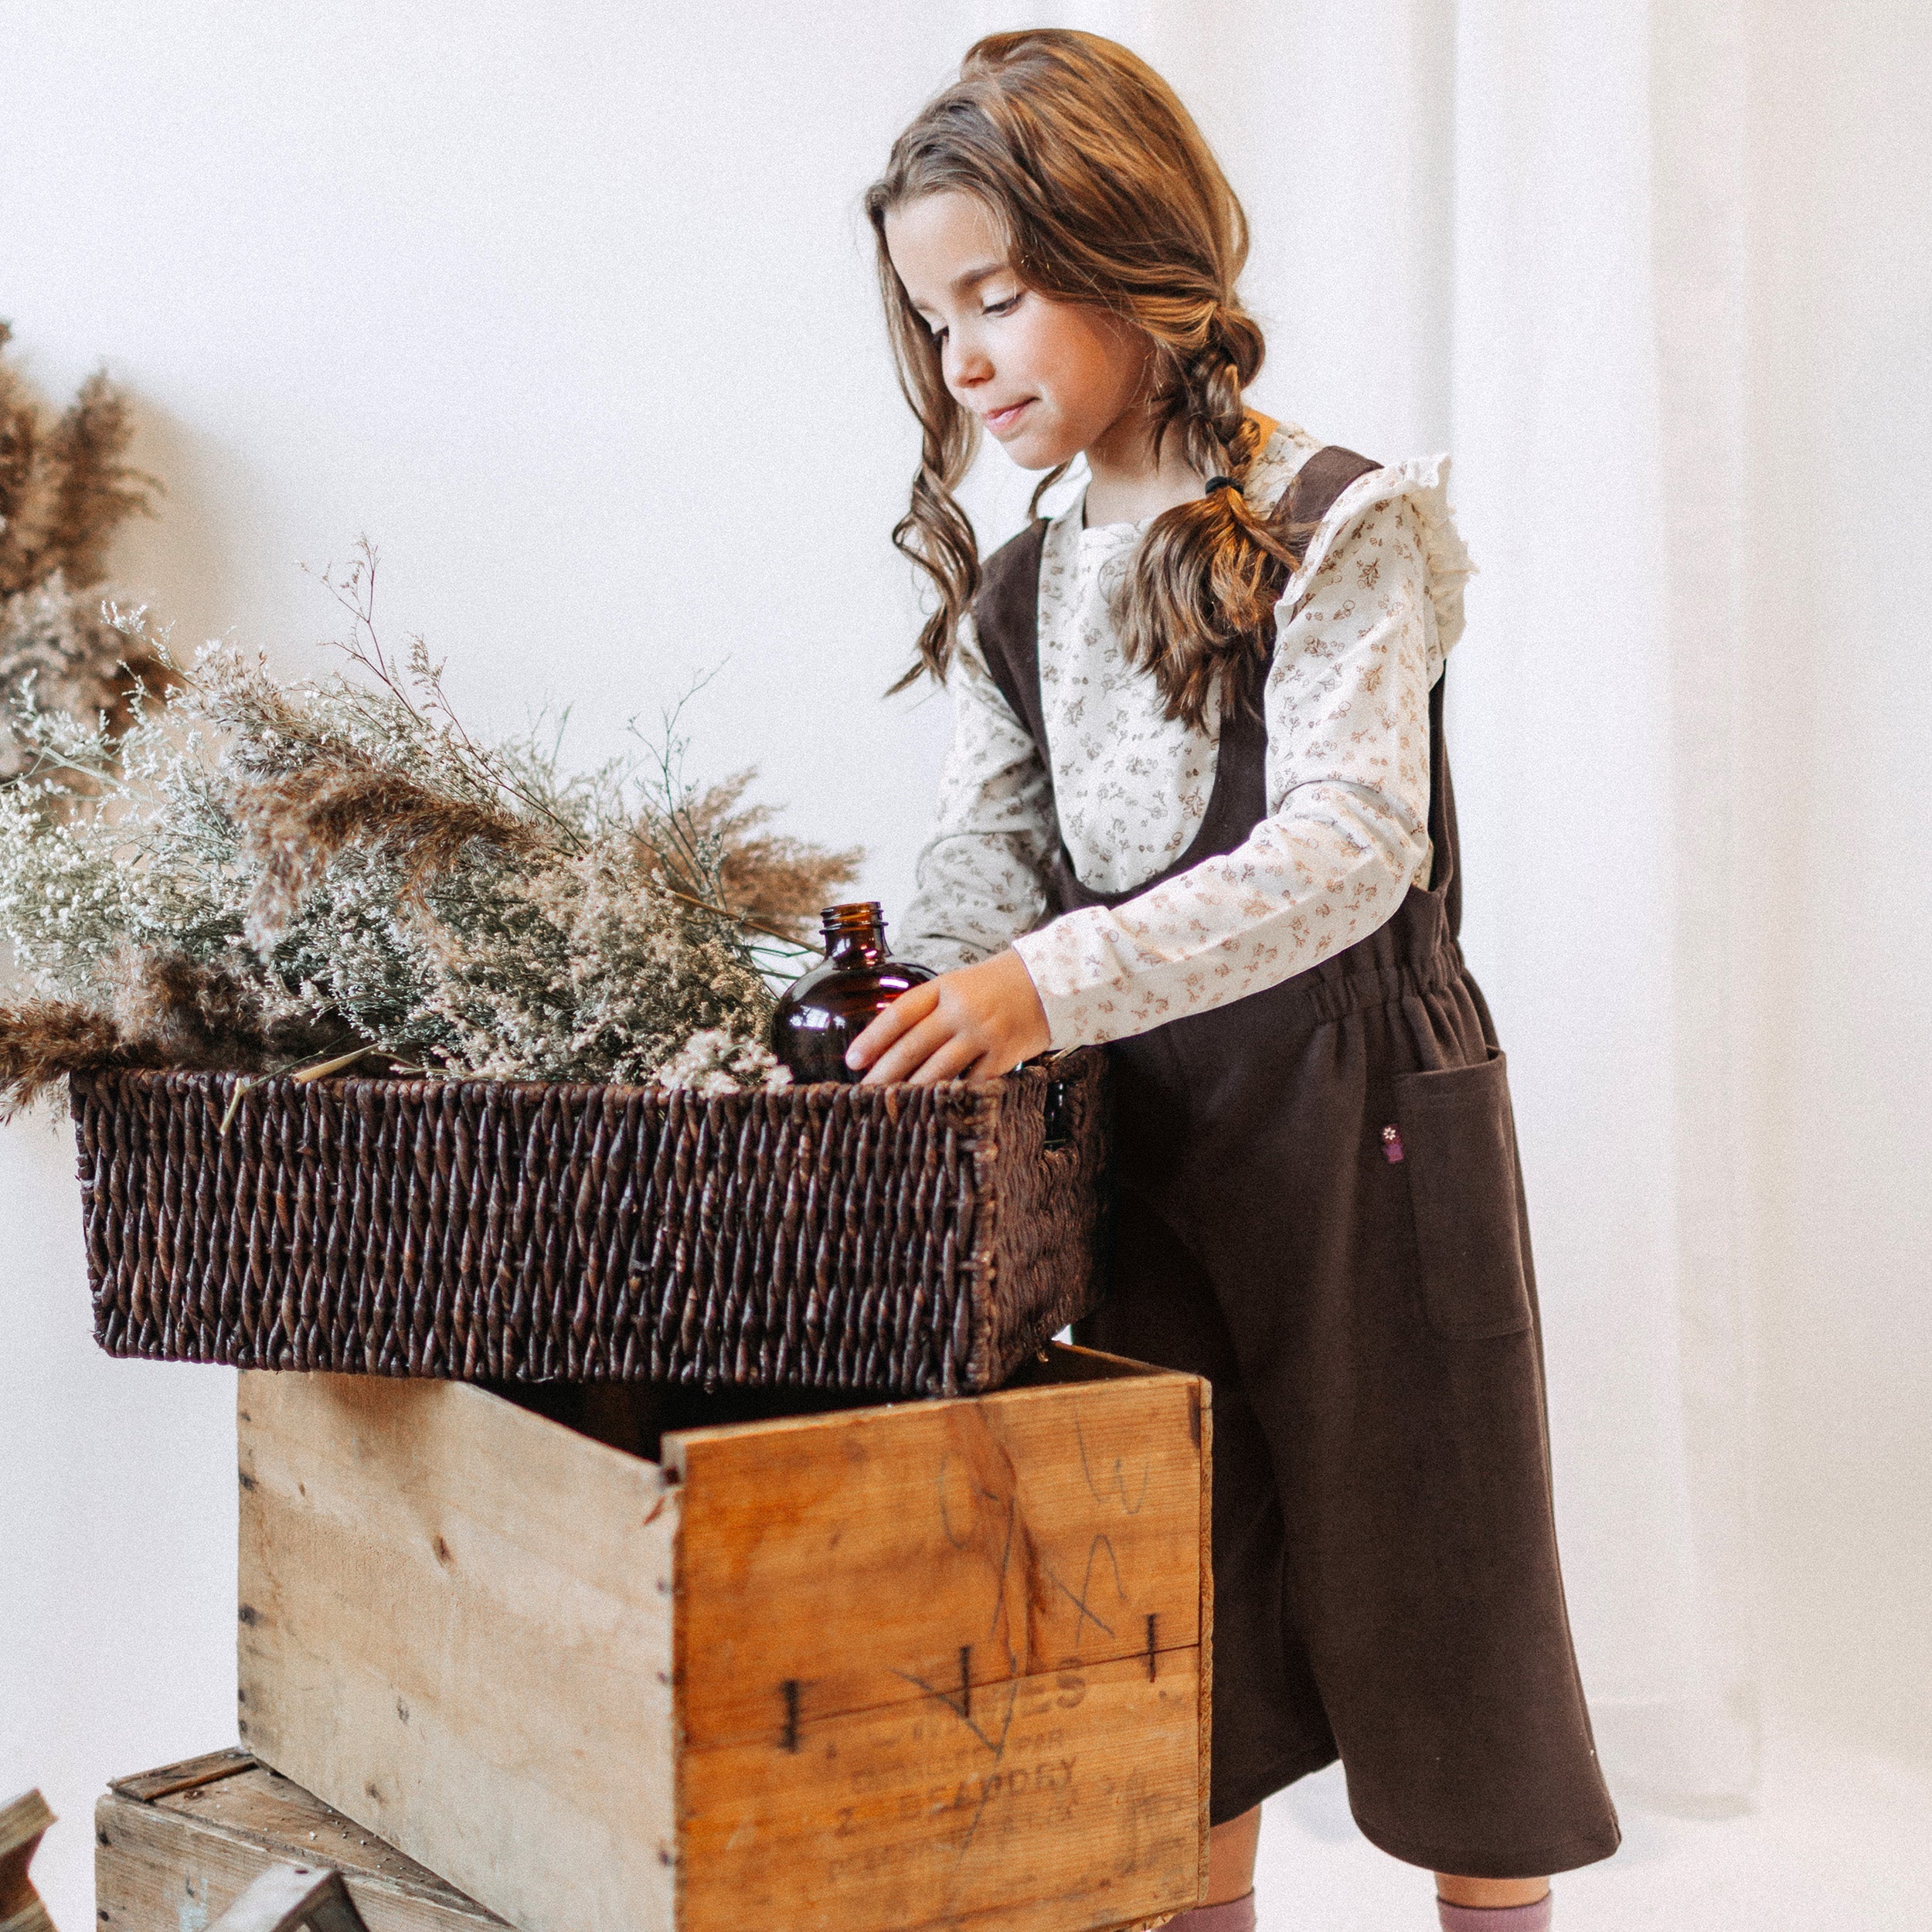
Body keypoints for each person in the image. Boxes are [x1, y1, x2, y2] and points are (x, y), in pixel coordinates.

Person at [846, 29, 1621, 1932]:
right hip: (1139, 1126)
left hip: (1360, 1114)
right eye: (928, 315)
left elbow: (1353, 846)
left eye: (996, 295)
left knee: (1431, 1559)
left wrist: (1046, 975)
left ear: (1130, 249)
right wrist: (923, 970)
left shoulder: (1333, 521)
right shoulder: (1020, 582)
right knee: (1165, 1575)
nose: (959, 356)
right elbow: (993, 845)